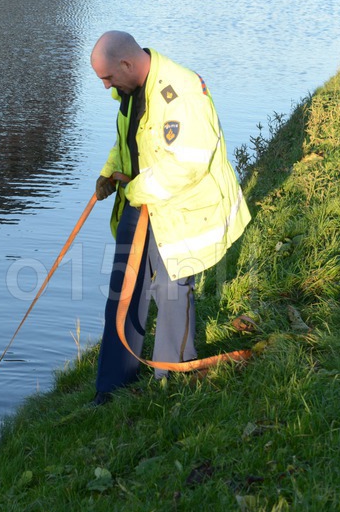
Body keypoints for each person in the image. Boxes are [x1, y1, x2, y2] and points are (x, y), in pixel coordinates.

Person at [89, 31, 251, 405]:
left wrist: (133, 191)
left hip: (181, 211)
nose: (105, 86)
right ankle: (112, 386)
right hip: (141, 199)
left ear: (128, 64)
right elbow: (128, 140)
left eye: (108, 78)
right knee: (123, 292)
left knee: (171, 292)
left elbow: (188, 165)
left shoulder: (183, 92)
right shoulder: (130, 91)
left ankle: (172, 379)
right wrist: (110, 172)